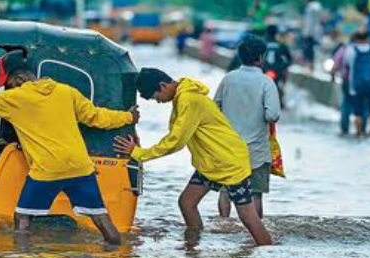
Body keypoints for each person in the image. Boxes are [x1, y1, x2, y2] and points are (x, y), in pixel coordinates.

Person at [0, 51, 139, 245]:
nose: (8, 88)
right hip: (82, 167)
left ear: (18, 79)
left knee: (22, 217)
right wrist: (128, 116)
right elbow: (96, 116)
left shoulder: (17, 98)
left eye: (7, 83)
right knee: (101, 219)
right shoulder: (65, 91)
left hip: (48, 170)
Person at [112, 68, 273, 246]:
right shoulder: (182, 96)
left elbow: (176, 141)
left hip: (228, 162)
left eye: (155, 97)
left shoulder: (189, 99)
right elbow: (175, 134)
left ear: (163, 85)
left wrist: (138, 153)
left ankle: (268, 252)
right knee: (187, 203)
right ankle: (193, 249)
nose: (157, 102)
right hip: (211, 163)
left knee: (248, 217)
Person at [213, 36, 281, 220]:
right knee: (255, 194)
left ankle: (224, 226)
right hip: (256, 149)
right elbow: (272, 115)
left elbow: (214, 108)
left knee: (226, 190)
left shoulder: (228, 79)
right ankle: (255, 234)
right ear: (260, 57)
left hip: (228, 147)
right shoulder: (266, 82)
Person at [343, 30, 370, 136]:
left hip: (356, 85)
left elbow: (345, 64)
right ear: (367, 38)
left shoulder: (350, 50)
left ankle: (359, 131)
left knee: (358, 111)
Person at [262, 24, 293, 106]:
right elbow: (289, 59)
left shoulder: (262, 44)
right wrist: (284, 66)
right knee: (281, 83)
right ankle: (281, 100)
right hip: (278, 70)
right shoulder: (281, 45)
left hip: (264, 69)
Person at [331, 32, 353, 135]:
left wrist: (333, 77)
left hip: (347, 81)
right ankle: (361, 129)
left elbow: (335, 66)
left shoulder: (344, 50)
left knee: (346, 104)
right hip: (363, 83)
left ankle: (345, 128)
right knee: (362, 105)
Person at [302, 0, 323, 70]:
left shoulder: (310, 7)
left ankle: (310, 65)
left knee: (309, 49)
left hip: (311, 31)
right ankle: (313, 65)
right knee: (315, 48)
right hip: (317, 31)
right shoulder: (318, 6)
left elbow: (310, 21)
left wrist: (307, 32)